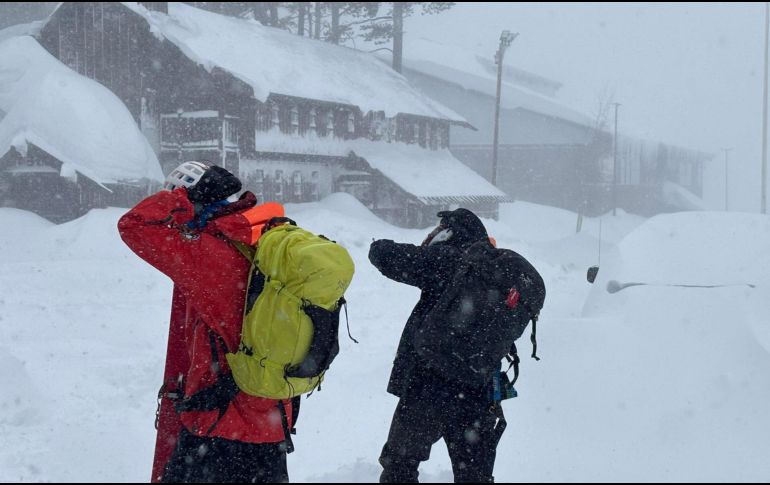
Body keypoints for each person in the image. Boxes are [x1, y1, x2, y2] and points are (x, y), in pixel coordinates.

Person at [118, 161, 292, 483]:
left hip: (218, 423)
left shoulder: (208, 253)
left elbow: (134, 225)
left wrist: (180, 199)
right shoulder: (269, 240)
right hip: (271, 418)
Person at [370, 208, 531, 483]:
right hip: (479, 385)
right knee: (474, 474)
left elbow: (386, 256)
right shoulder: (497, 270)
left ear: (449, 232)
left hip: (429, 384)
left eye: (438, 229)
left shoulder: (450, 258)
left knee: (401, 465)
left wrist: (377, 246)